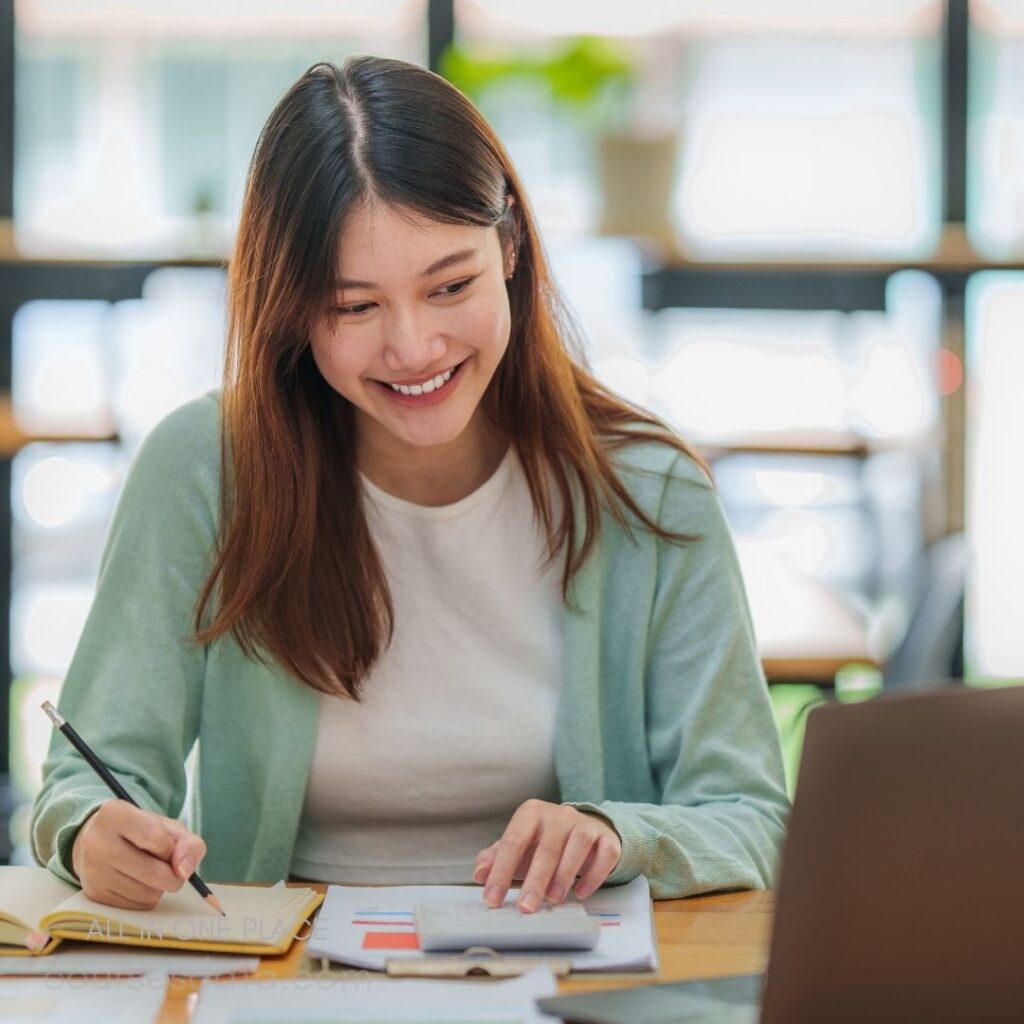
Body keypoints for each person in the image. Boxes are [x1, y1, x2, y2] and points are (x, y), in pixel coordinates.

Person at [31, 56, 789, 915]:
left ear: (510, 248)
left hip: (570, 982)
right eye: (355, 307)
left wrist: (619, 835)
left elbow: (751, 815)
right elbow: (86, 778)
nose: (414, 348)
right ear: (291, 308)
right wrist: (89, 831)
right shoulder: (205, 470)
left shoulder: (649, 492)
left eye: (450, 286)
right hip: (288, 984)